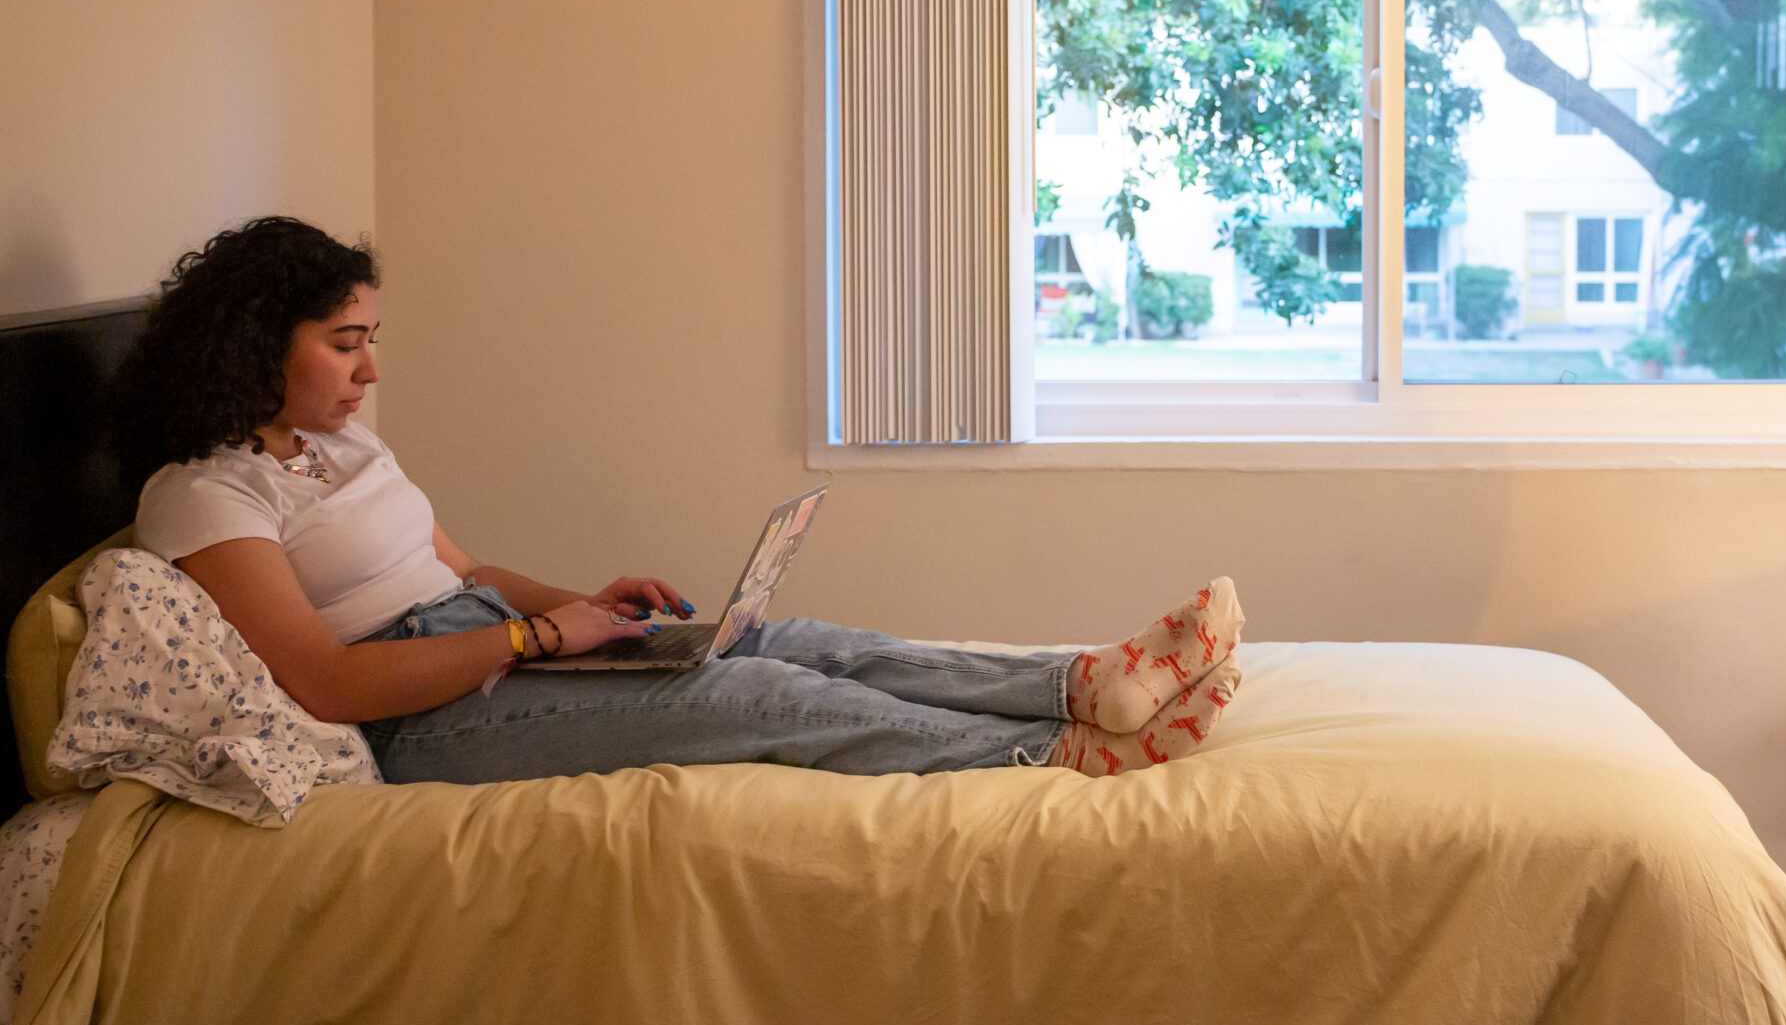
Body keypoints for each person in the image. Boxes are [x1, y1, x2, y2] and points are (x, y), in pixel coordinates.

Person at [108, 218, 1243, 783]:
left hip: (486, 643)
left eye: (371, 342)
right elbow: (324, 676)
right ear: (261, 344)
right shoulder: (202, 496)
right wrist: (537, 638)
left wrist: (592, 613)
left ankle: (1083, 683)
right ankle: (1056, 758)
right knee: (758, 696)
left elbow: (461, 575)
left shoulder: (339, 448)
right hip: (420, 718)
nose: (369, 370)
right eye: (346, 344)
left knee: (788, 639)